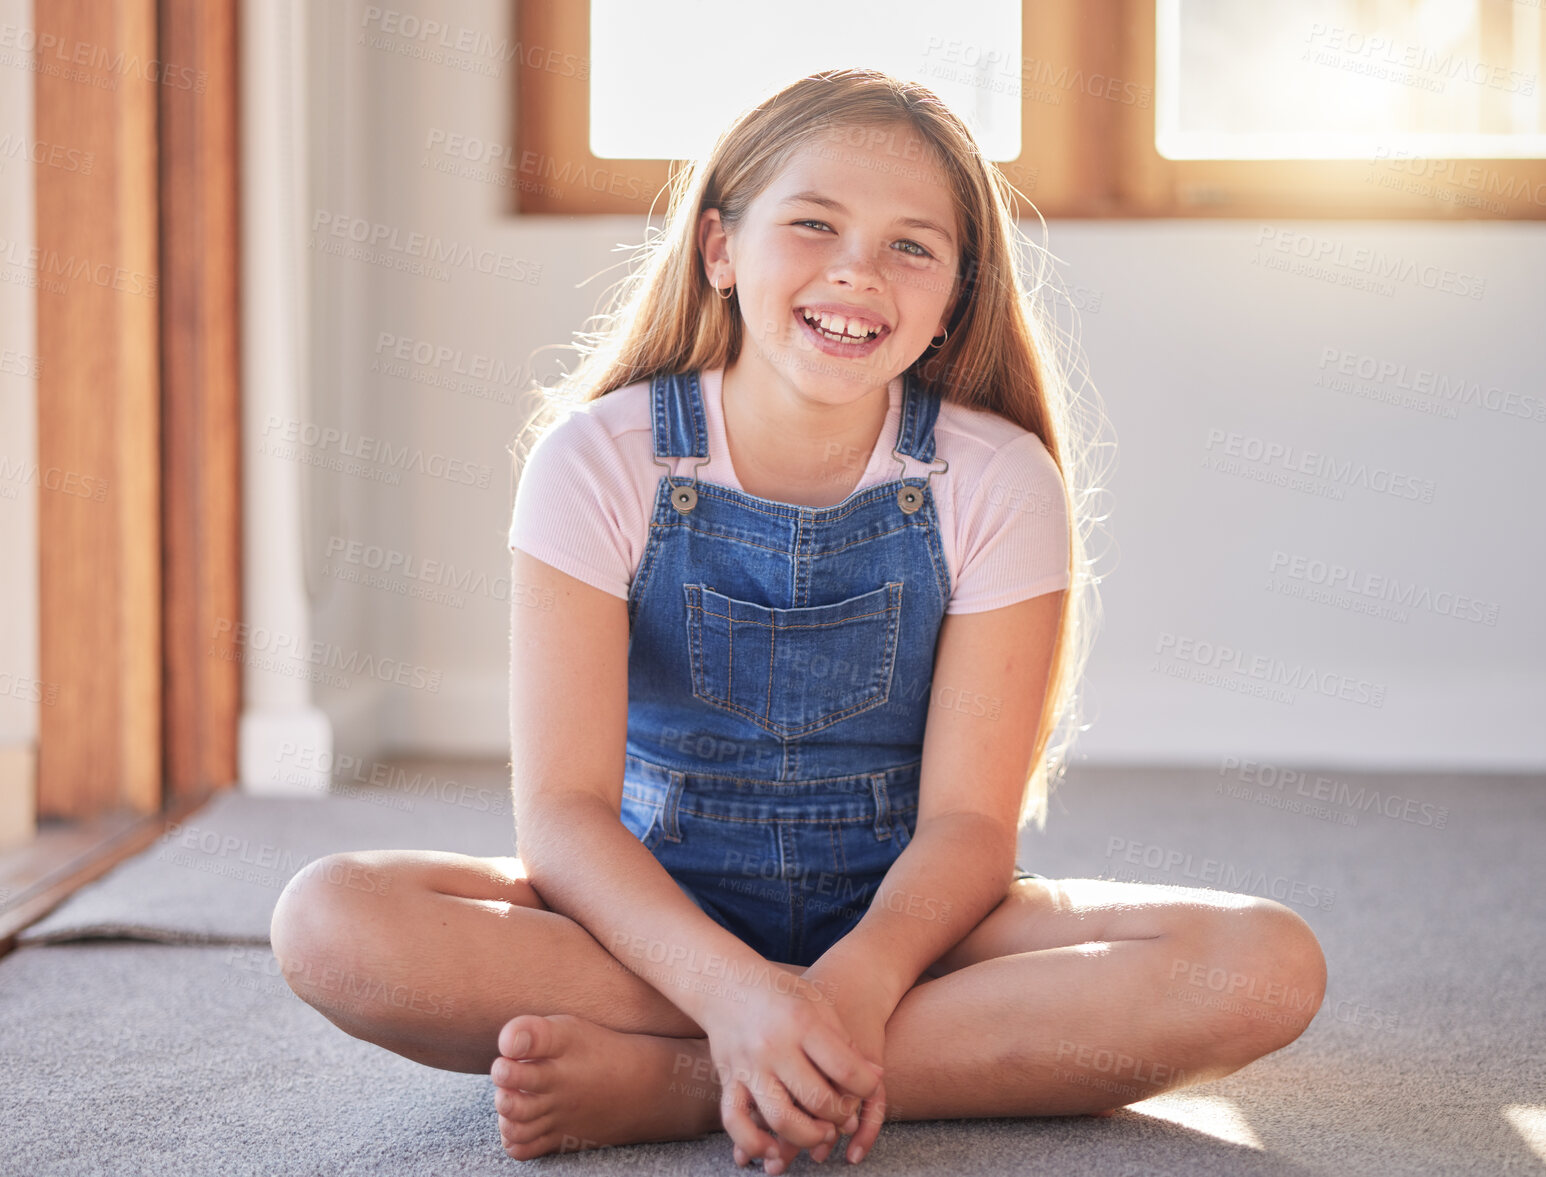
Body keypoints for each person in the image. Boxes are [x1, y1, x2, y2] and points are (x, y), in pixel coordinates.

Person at [269, 67, 1327, 1173]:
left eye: (913, 246)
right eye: (813, 223)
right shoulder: (599, 459)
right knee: (333, 919)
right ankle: (767, 1043)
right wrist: (729, 989)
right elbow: (567, 819)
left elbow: (969, 828)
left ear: (955, 295)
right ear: (720, 250)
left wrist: (855, 983)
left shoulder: (998, 477)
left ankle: (682, 1084)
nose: (857, 272)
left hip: (909, 931)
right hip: (650, 924)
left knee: (1265, 964)